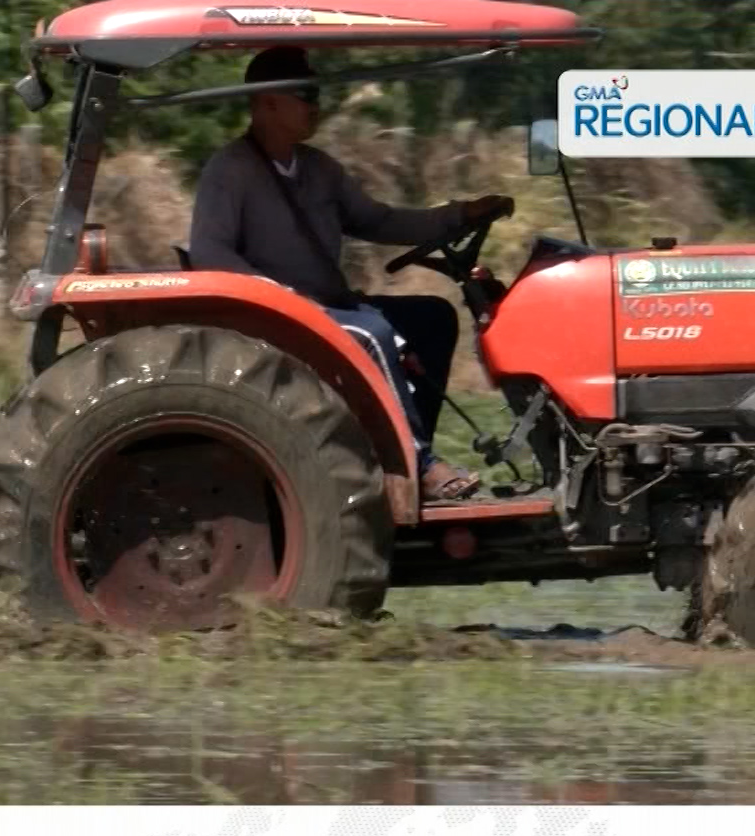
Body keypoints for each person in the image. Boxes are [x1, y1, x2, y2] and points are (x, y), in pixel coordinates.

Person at [188, 45, 514, 501]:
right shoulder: (230, 171)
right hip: (277, 319)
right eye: (305, 94)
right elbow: (210, 252)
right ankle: (416, 466)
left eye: (316, 93)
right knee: (374, 333)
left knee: (433, 317)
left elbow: (379, 221)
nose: (315, 105)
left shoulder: (319, 168)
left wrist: (458, 215)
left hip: (330, 308)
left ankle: (396, 451)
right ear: (266, 102)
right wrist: (284, 300)